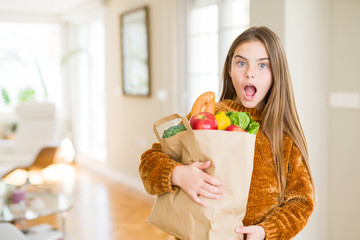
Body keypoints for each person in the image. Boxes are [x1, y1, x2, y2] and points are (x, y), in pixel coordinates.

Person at [139, 26, 314, 240]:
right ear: (229, 69)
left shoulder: (285, 134)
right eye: (241, 63)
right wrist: (178, 174)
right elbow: (149, 161)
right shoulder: (208, 116)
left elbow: (302, 202)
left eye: (262, 65)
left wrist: (265, 231)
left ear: (277, 72)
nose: (250, 72)